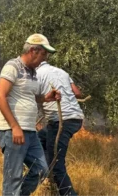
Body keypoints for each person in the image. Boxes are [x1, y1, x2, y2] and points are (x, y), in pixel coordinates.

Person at [0, 33, 60, 196]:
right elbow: (0, 96)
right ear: (33, 50)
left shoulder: (33, 73)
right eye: (44, 54)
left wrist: (46, 98)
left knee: (41, 170)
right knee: (13, 178)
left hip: (30, 133)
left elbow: (32, 97)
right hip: (13, 132)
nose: (45, 59)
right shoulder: (12, 66)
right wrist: (15, 127)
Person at [36, 61, 84, 196]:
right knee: (40, 138)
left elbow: (33, 97)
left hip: (61, 121)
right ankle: (46, 176)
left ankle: (66, 191)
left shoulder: (37, 74)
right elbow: (77, 93)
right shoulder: (62, 72)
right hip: (76, 118)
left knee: (56, 164)